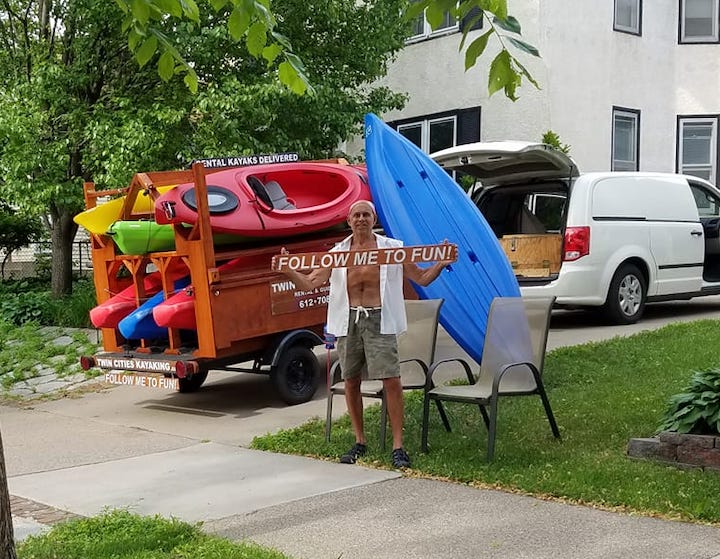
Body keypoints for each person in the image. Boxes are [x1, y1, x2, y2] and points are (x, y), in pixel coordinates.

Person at [272, 200, 451, 468]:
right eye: (356, 215)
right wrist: (288, 270)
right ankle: (359, 440)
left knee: (391, 379)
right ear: (348, 220)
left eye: (366, 214)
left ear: (373, 218)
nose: (361, 219)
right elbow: (310, 282)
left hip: (379, 317)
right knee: (351, 380)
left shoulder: (392, 249)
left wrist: (441, 264)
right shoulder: (338, 253)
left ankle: (398, 445)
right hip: (349, 319)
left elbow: (422, 278)